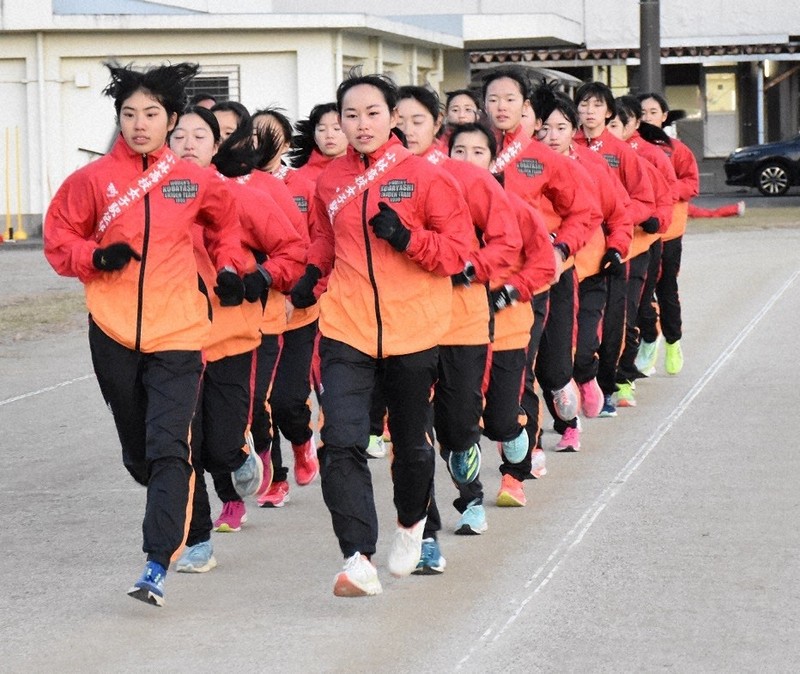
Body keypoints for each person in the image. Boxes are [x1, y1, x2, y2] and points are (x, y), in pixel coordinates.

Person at [43, 62, 248, 607]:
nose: (139, 123)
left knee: (168, 447)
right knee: (140, 452)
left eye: (151, 114)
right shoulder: (90, 181)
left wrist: (228, 267)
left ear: (171, 120)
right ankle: (173, 506)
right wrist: (95, 255)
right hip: (112, 331)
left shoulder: (194, 178)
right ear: (119, 119)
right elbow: (59, 237)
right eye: (129, 114)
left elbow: (228, 228)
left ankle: (157, 562)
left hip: (178, 331)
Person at [300, 72, 473, 597]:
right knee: (341, 440)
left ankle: (412, 524)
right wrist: (309, 277)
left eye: (372, 113)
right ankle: (356, 558)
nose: (361, 124)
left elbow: (458, 252)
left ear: (392, 117)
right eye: (350, 115)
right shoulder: (329, 180)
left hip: (413, 329)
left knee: (412, 445)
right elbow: (322, 246)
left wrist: (407, 238)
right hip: (346, 328)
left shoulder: (425, 176)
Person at [169, 107, 305, 571]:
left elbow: (294, 251)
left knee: (218, 448)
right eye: (179, 135)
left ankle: (239, 451)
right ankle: (196, 539)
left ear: (217, 146)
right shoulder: (150, 197)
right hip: (171, 344)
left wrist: (259, 277)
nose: (188, 143)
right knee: (181, 448)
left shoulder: (240, 196)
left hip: (231, 338)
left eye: (200, 136)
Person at [395, 87, 521, 566]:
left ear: (437, 127)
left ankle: (469, 494)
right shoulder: (372, 184)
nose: (407, 129)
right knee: (411, 435)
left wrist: (468, 268)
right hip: (403, 328)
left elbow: (506, 244)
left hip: (462, 321)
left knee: (457, 428)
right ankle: (425, 533)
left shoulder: (466, 178)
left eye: (418, 120)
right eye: (398, 120)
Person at [482, 66, 600, 503]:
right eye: (493, 99)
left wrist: (559, 251)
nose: (501, 107)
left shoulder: (540, 158)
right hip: (471, 287)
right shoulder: (464, 152)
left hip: (528, 285)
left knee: (530, 370)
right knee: (484, 383)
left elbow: (585, 212)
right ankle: (506, 440)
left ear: (525, 106)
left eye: (510, 99)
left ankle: (520, 463)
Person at [534, 83, 632, 449]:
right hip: (533, 275)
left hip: (586, 270)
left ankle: (584, 386)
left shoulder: (591, 164)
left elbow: (618, 212)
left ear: (574, 129)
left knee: (578, 350)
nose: (552, 136)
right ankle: (555, 426)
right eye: (545, 128)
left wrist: (617, 248)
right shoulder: (523, 164)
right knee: (538, 359)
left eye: (561, 128)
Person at [251, 105, 323, 506]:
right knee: (256, 401)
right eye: (253, 134)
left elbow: (319, 243)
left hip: (297, 310)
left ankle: (301, 438)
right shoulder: (236, 184)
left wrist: (306, 287)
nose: (260, 142)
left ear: (288, 143)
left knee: (286, 399)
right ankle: (275, 477)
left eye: (270, 135)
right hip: (256, 314)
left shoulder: (305, 187)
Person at [635, 92, 700, 376]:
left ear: (663, 116)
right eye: (642, 112)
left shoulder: (677, 150)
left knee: (666, 289)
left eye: (653, 111)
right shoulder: (630, 147)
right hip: (639, 233)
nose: (647, 116)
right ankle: (649, 339)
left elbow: (692, 184)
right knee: (640, 294)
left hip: (669, 230)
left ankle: (673, 342)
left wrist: (665, 192)